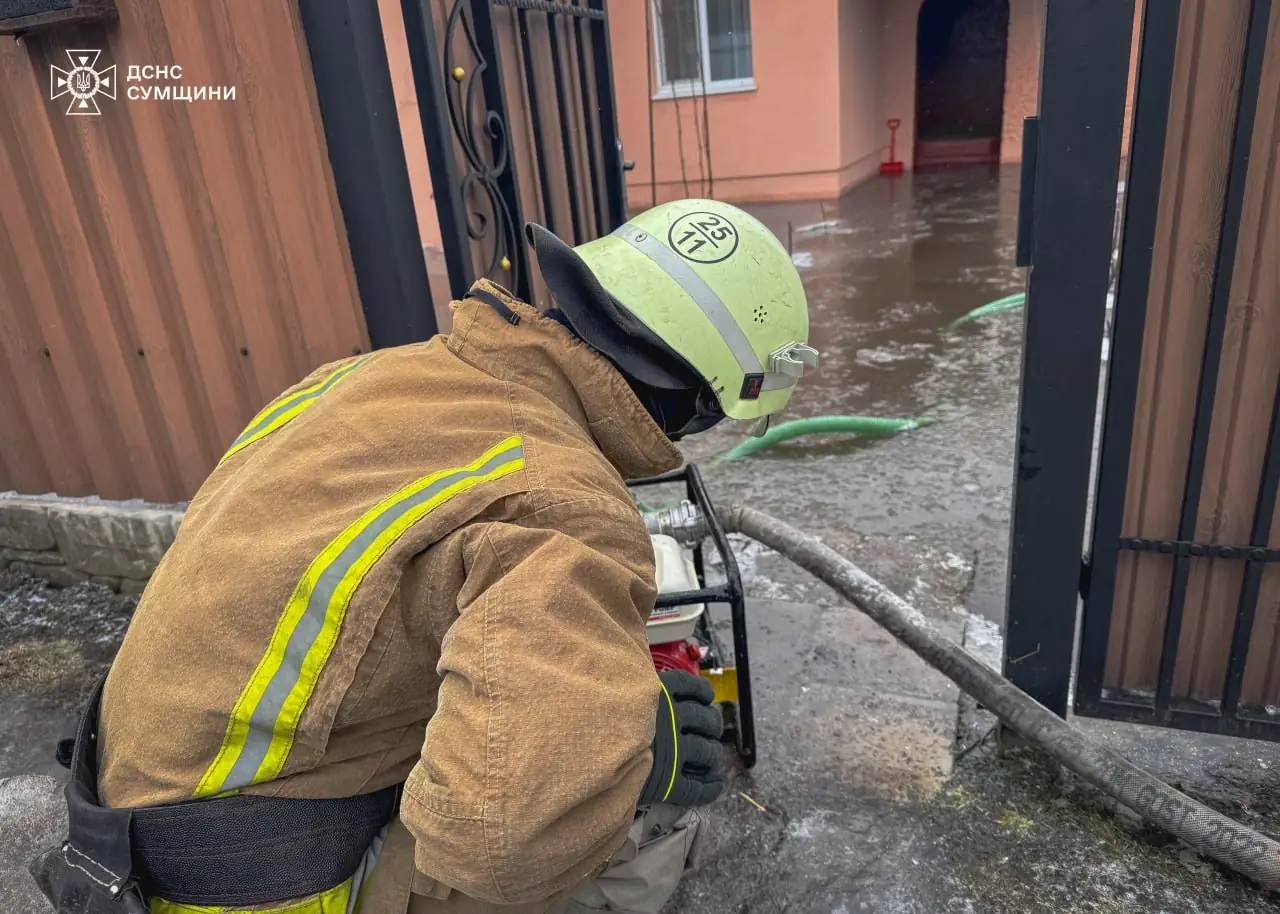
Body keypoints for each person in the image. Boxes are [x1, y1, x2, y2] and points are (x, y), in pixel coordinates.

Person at [31, 198, 818, 914]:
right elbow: (502, 845)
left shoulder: (365, 377)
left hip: (120, 822)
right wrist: (629, 760)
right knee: (626, 820)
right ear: (697, 404)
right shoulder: (565, 502)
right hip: (244, 882)